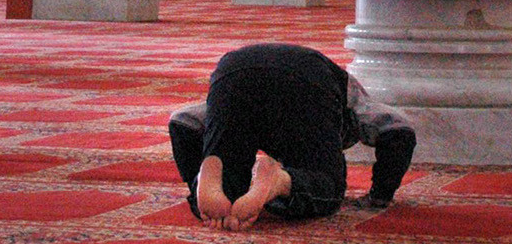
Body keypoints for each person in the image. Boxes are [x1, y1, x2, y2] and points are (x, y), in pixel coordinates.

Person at [168, 43, 416, 229]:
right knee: (326, 188)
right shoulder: (351, 94)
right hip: (308, 81)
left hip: (231, 73)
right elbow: (399, 129)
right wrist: (381, 195)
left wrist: (194, 171)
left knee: (229, 182)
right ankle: (281, 181)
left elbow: (183, 122)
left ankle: (205, 179)